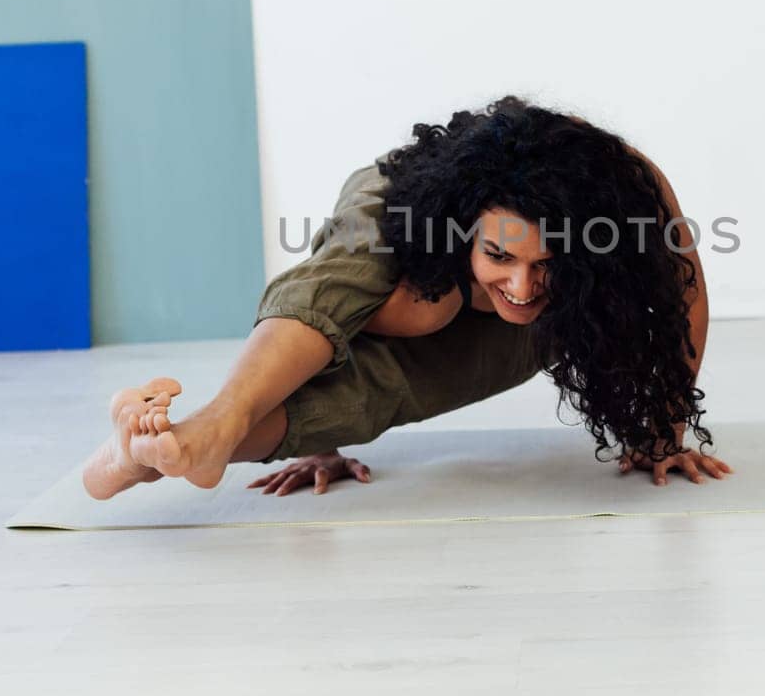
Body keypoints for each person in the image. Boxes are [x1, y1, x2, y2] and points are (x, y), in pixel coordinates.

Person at [81, 95, 731, 499]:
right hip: (406, 218)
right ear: (470, 234)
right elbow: (332, 303)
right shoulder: (420, 214)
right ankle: (218, 422)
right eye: (501, 255)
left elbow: (683, 296)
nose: (524, 283)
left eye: (548, 262)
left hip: (484, 314)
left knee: (375, 393)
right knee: (373, 287)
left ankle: (156, 448)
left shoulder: (629, 195)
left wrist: (666, 426)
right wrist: (316, 440)